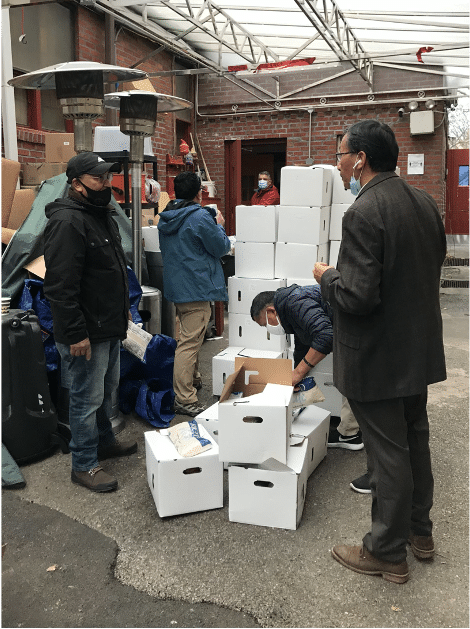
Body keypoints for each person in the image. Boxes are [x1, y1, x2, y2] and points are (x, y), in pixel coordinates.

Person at [313, 119, 446, 584]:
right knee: (414, 439)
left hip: (377, 357)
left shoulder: (364, 211)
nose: (340, 164)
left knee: (387, 452)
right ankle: (419, 532)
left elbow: (357, 297)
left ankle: (387, 551)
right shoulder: (424, 202)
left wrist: (326, 277)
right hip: (416, 349)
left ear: (361, 158)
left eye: (341, 155)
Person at [44, 152, 137, 493]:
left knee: (105, 390)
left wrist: (123, 307)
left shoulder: (102, 215)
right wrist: (75, 334)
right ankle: (83, 464)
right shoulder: (68, 223)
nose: (106, 183)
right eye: (98, 179)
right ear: (76, 184)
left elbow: (112, 270)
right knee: (86, 397)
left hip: (108, 324)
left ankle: (104, 441)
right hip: (86, 332)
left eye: (107, 177)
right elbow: (60, 287)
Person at [250, 284, 364, 450]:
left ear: (271, 311)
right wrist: (297, 376)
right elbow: (303, 343)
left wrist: (298, 372)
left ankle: (350, 435)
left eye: (264, 325)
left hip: (358, 330)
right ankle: (352, 431)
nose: (267, 329)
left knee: (351, 378)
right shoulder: (290, 307)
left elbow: (325, 335)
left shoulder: (295, 302)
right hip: (354, 328)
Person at [158, 172, 231, 417]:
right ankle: (185, 398)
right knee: (189, 344)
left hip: (177, 287)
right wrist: (219, 225)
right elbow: (221, 247)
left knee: (190, 337)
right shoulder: (200, 217)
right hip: (197, 287)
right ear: (199, 193)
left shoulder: (166, 216)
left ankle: (193, 379)